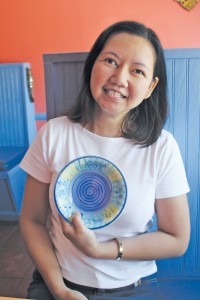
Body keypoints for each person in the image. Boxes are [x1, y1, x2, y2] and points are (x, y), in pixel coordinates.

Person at [20, 20, 190, 300]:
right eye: (110, 61)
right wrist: (59, 290)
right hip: (56, 282)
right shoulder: (53, 134)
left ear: (150, 87)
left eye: (137, 70)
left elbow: (177, 239)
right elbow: (32, 220)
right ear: (92, 66)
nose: (120, 78)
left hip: (134, 289)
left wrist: (101, 250)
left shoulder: (162, 147)